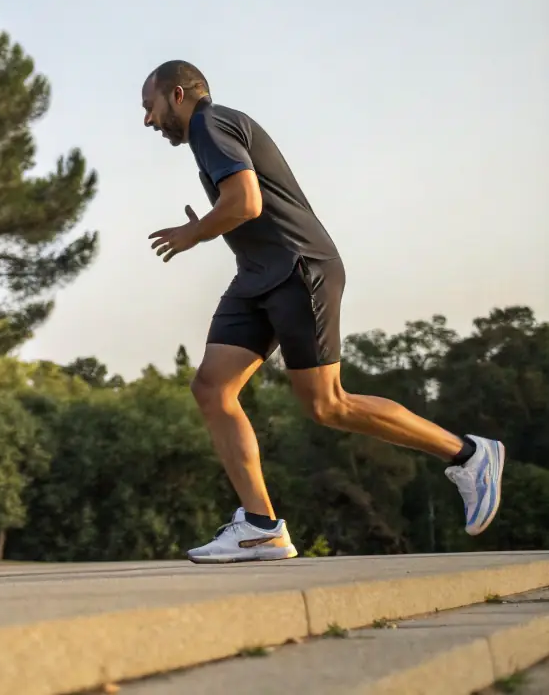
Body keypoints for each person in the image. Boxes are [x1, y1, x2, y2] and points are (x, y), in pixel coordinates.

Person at [141, 60, 504, 563]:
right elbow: (243, 204)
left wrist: (195, 232)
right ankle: (261, 528)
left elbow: (245, 202)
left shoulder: (209, 122)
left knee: (327, 404)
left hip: (298, 268)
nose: (148, 119)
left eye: (150, 106)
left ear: (177, 94)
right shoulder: (214, 129)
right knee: (211, 388)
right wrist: (208, 224)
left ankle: (468, 455)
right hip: (259, 275)